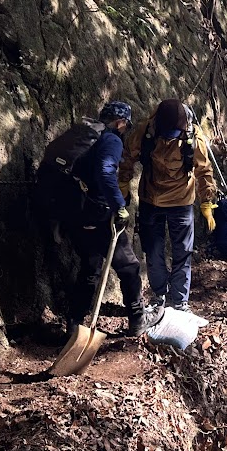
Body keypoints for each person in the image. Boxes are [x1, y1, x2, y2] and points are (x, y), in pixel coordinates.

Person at [59, 102, 163, 337]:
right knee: (129, 266)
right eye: (126, 125)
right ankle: (138, 319)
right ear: (121, 122)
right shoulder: (111, 140)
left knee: (90, 267)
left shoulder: (87, 137)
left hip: (75, 213)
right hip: (99, 214)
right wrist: (119, 207)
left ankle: (75, 323)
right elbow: (106, 172)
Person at [119, 99, 217, 314]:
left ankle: (176, 300)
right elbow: (126, 158)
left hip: (176, 202)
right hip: (155, 201)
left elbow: (204, 170)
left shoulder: (190, 136)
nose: (171, 137)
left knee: (179, 252)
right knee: (156, 251)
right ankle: (162, 296)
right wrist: (123, 184)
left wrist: (207, 202)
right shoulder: (146, 132)